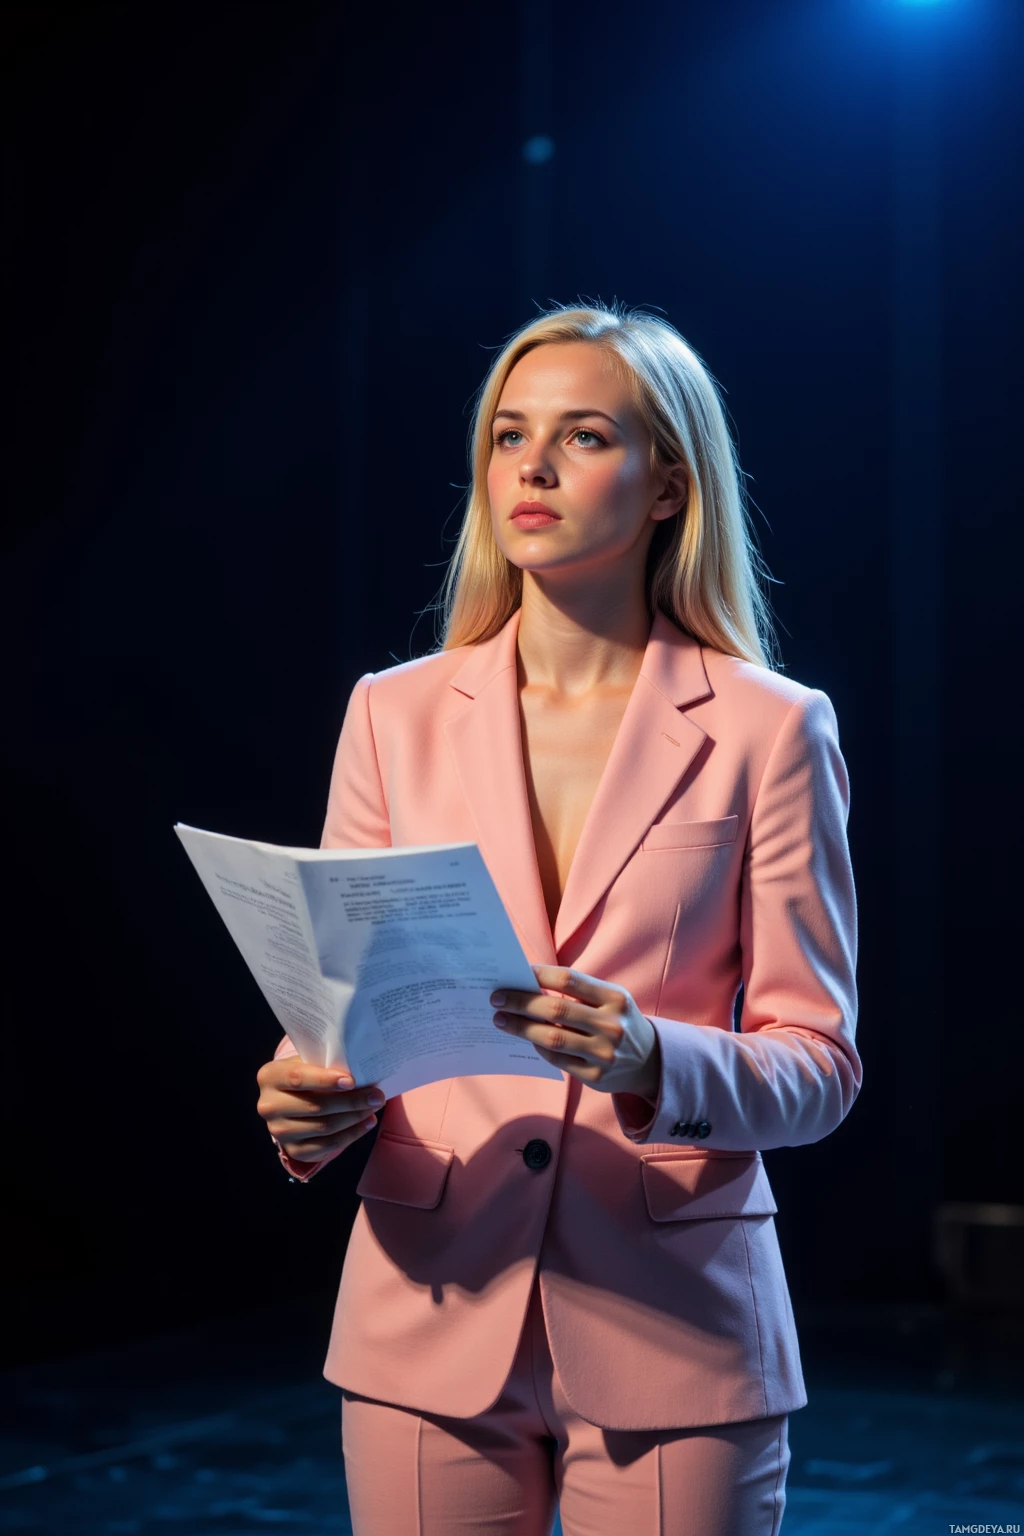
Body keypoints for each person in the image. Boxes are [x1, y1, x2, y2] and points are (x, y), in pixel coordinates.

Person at [255, 300, 861, 1536]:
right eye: (508, 436)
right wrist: (305, 1098)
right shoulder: (392, 713)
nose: (530, 467)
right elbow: (340, 1024)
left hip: (680, 1325)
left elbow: (822, 1066)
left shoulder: (771, 727)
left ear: (666, 486)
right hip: (426, 1312)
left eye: (584, 436)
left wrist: (654, 1057)